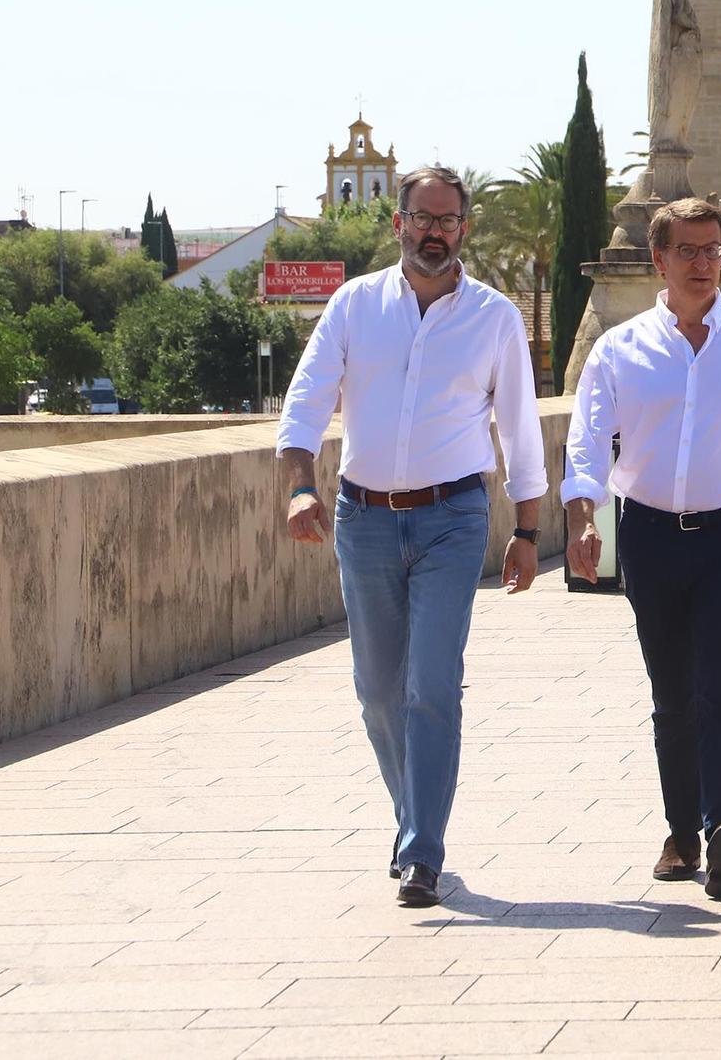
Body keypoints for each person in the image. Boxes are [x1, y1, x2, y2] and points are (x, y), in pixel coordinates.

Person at [276, 165, 546, 909]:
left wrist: (527, 529)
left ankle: (422, 849)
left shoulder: (492, 317)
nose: (434, 231)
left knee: (432, 683)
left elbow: (521, 427)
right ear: (398, 223)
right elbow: (305, 403)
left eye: (448, 220)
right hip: (362, 520)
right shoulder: (355, 305)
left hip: (452, 519)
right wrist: (301, 487)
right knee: (377, 692)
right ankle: (411, 822)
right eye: (422, 218)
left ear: (465, 228)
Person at [563, 198, 721, 900]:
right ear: (659, 261)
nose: (704, 264)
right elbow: (587, 437)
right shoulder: (621, 348)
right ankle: (682, 831)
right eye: (689, 251)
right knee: (672, 695)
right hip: (648, 536)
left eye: (714, 250)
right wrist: (586, 519)